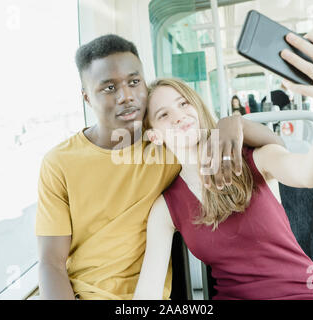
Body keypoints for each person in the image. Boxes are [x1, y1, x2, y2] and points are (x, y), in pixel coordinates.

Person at [35, 34, 285, 300]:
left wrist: (234, 122)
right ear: (87, 98)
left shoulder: (168, 146)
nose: (126, 96)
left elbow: (275, 145)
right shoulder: (59, 163)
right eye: (109, 88)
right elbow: (51, 262)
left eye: (134, 82)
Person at [134, 31, 313, 300]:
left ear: (198, 108)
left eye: (183, 103)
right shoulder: (166, 208)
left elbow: (311, 173)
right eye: (164, 115)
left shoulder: (254, 159)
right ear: (154, 135)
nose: (179, 116)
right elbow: (147, 291)